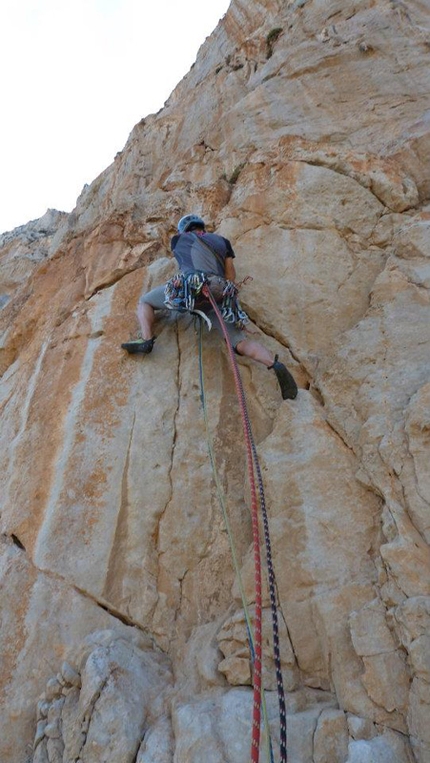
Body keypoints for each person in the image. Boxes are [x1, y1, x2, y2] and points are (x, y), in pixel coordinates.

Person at [121, 214, 298, 400]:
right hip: (219, 291)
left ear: (184, 229)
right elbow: (231, 275)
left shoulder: (179, 239)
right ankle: (273, 364)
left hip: (191, 287)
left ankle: (146, 339)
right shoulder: (222, 242)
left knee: (145, 301)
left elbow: (185, 264)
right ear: (202, 227)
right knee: (238, 342)